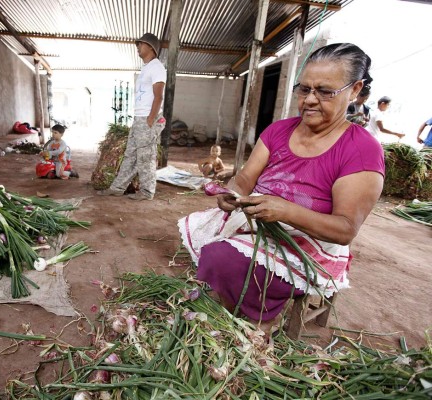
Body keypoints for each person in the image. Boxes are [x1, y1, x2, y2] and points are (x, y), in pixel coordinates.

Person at [179, 43, 385, 322]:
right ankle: (230, 294)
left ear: (355, 90)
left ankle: (251, 324)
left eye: (324, 91)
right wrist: (233, 194)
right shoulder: (278, 130)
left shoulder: (361, 149)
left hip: (307, 244)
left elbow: (345, 229)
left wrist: (286, 211)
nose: (310, 100)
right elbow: (245, 178)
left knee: (222, 259)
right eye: (304, 89)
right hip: (258, 224)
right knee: (209, 241)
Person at [97, 32, 166, 201]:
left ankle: (147, 191)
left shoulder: (157, 67)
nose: (138, 47)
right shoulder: (146, 68)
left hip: (147, 118)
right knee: (130, 155)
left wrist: (151, 119)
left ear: (151, 47)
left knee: (145, 156)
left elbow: (159, 96)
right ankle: (118, 187)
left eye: (140, 44)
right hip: (139, 118)